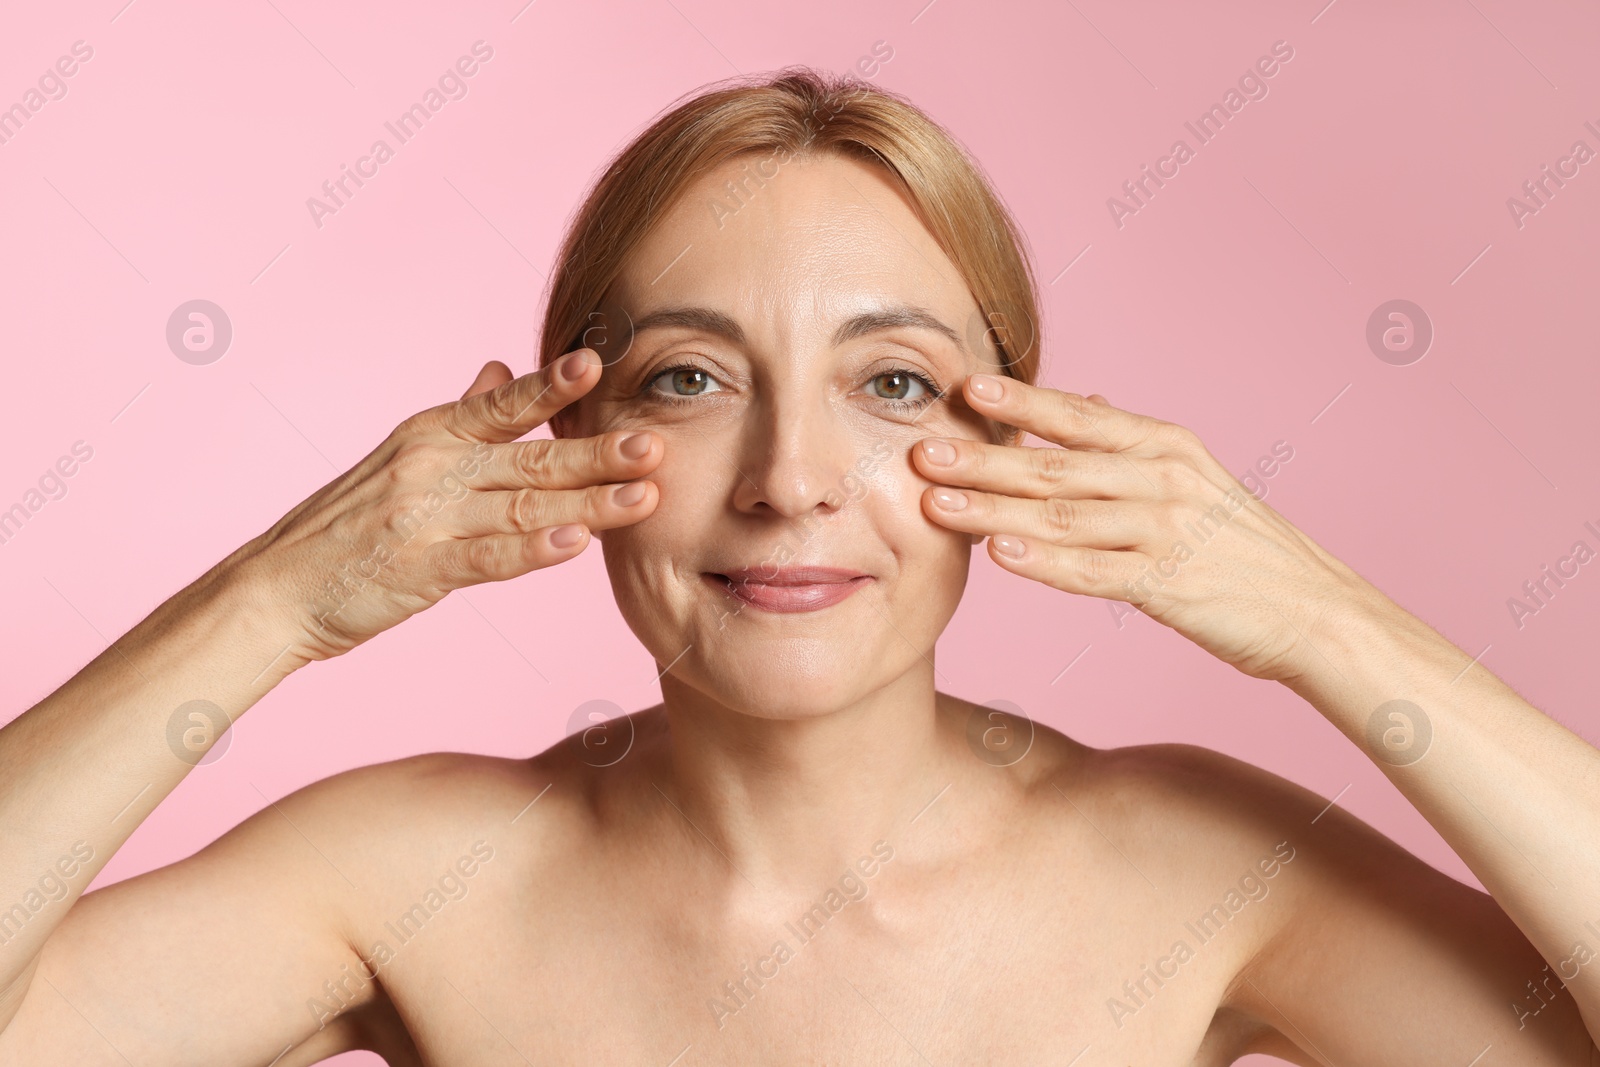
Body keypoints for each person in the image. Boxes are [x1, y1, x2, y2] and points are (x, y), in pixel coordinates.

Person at [1, 66, 1596, 1066]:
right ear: (566, 429)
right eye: (690, 380)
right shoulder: (408, 877)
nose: (785, 485)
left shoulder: (1199, 872)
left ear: (1012, 426)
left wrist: (1320, 620)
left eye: (892, 382)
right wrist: (271, 603)